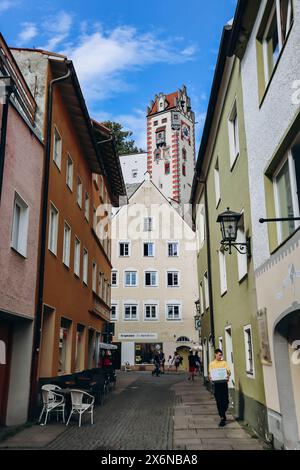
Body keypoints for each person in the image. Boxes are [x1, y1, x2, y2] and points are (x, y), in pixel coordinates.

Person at [209, 349, 231, 427]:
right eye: (219, 354)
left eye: (221, 355)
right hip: (217, 385)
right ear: (215, 355)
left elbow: (228, 371)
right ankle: (222, 417)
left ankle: (223, 412)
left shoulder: (224, 363)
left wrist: (228, 374)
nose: (220, 356)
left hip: (224, 384)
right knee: (219, 401)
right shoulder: (212, 364)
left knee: (225, 401)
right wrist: (211, 378)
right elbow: (210, 373)